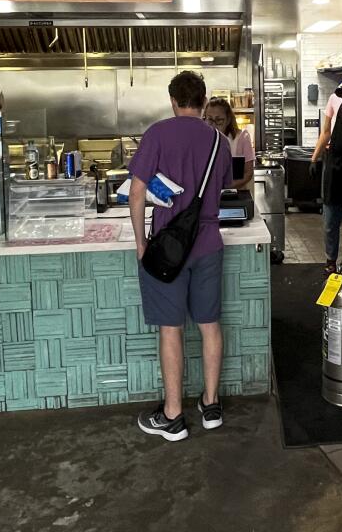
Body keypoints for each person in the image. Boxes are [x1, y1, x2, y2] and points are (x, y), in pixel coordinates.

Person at [128, 70, 233, 442]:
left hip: (168, 251)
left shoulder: (158, 133)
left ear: (173, 100)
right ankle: (211, 405)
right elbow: (224, 187)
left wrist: (141, 244)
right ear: (204, 102)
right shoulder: (220, 141)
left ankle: (173, 416)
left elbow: (137, 192)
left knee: (171, 330)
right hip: (208, 245)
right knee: (210, 325)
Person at [311, 76, 342, 272]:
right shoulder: (335, 98)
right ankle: (330, 261)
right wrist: (314, 158)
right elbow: (326, 132)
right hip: (334, 161)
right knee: (331, 216)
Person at [203, 96, 255, 190]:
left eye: (219, 120)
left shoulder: (241, 138)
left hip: (237, 196)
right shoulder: (201, 140)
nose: (213, 124)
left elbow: (248, 173)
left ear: (228, 120)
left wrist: (225, 186)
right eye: (210, 119)